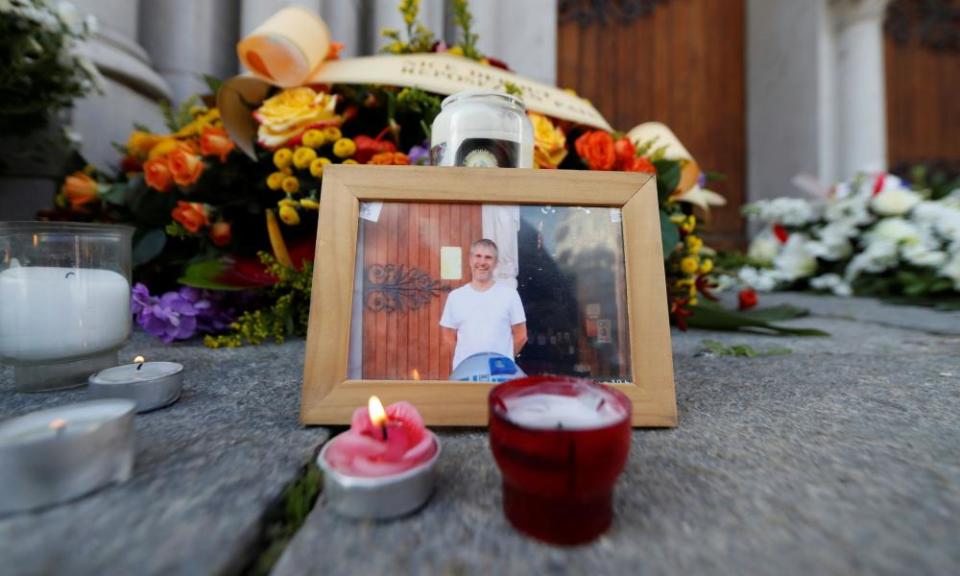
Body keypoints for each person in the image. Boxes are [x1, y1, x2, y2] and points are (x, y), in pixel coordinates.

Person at [440, 239, 527, 375]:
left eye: (488, 258)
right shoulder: (455, 297)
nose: (482, 262)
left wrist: (503, 360)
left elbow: (521, 336)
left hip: (500, 375)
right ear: (470, 259)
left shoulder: (510, 295)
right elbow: (447, 336)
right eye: (478, 256)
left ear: (496, 263)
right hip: (465, 374)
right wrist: (465, 360)